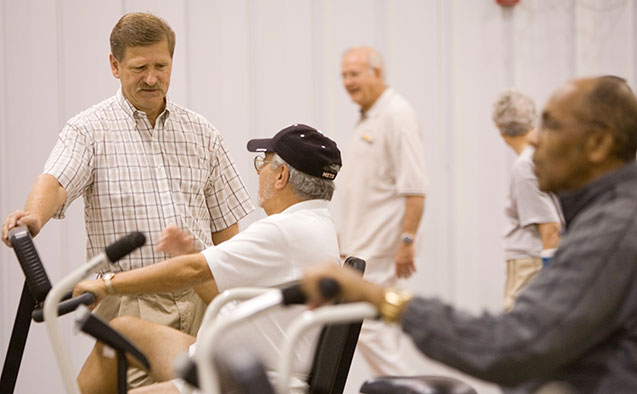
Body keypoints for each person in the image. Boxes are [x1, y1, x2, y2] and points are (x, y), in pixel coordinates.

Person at [301, 76, 637, 393]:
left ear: (598, 144)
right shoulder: (605, 218)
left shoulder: (615, 228)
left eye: (550, 125)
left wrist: (375, 296)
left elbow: (510, 345)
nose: (534, 137)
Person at [1, 12, 254, 340]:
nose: (151, 78)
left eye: (160, 66)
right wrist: (33, 217)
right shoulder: (89, 130)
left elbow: (226, 233)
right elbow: (56, 181)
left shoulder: (203, 133)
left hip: (202, 301)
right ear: (114, 65)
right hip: (128, 303)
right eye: (139, 68)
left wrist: (235, 304)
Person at [73, 124, 343, 394]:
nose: (260, 171)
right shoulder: (316, 225)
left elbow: (193, 270)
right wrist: (189, 254)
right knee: (120, 331)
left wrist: (106, 284)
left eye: (263, 163)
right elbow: (218, 291)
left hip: (246, 381)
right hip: (220, 363)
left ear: (281, 175)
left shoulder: (284, 230)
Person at [337, 46, 428, 376]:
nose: (348, 82)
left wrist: (407, 241)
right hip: (360, 245)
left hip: (381, 247)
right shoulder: (369, 117)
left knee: (367, 326)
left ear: (377, 73)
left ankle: (409, 387)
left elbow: (415, 187)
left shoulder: (397, 115)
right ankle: (403, 385)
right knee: (374, 328)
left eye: (355, 73)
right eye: (344, 75)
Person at [492, 89, 563, 311]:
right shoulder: (547, 154)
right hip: (535, 261)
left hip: (529, 264)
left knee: (518, 329)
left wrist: (550, 275)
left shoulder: (525, 166)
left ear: (501, 130)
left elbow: (550, 227)